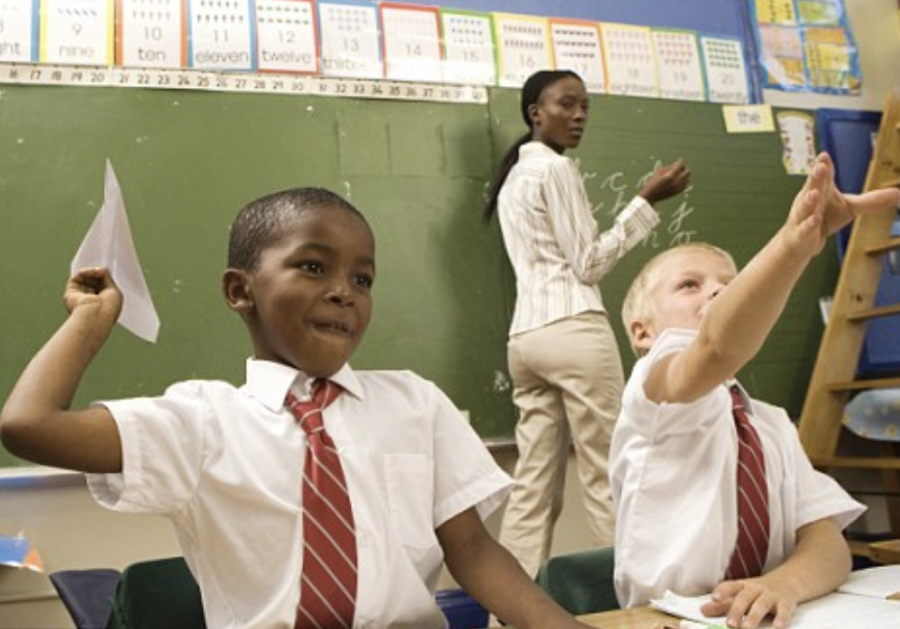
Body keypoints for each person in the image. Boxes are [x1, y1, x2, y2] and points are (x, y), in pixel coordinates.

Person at [0, 187, 595, 629]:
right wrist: (90, 320)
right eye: (313, 267)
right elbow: (30, 425)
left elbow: (472, 550)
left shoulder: (415, 401)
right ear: (240, 291)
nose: (344, 291)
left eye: (363, 279)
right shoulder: (200, 421)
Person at [611, 152, 900, 629]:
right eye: (689, 285)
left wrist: (783, 583)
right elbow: (715, 346)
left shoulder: (768, 421)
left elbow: (827, 541)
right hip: (664, 619)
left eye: (732, 283)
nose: (718, 291)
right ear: (643, 332)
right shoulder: (654, 391)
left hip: (764, 616)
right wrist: (795, 245)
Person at [482, 68, 691, 578]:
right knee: (608, 471)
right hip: (574, 328)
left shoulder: (513, 179)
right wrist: (645, 202)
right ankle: (628, 599)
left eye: (585, 107)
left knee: (533, 485)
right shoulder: (553, 170)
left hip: (525, 340)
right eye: (565, 105)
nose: (578, 116)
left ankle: (510, 611)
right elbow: (590, 264)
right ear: (536, 113)